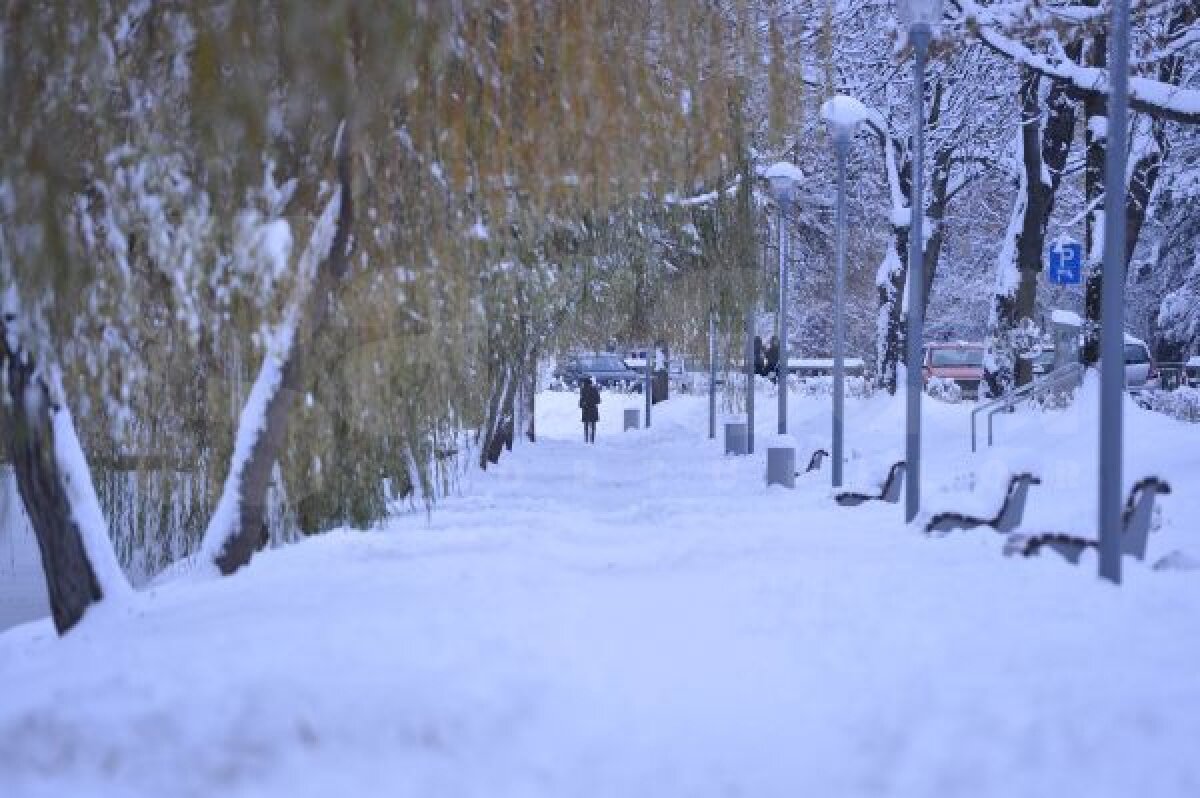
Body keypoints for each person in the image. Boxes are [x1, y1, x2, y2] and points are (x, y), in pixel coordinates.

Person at [579, 376, 601, 443]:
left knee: (586, 426)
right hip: (593, 409)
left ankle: (586, 440)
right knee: (593, 425)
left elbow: (581, 401)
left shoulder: (583, 390)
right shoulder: (594, 389)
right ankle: (592, 440)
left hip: (586, 410)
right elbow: (598, 400)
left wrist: (582, 404)